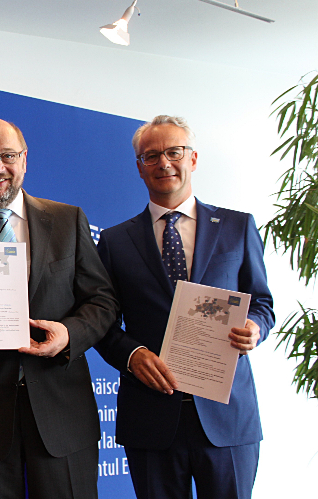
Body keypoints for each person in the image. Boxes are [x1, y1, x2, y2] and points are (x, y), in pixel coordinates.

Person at [0, 118, 119, 499]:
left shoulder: (68, 220)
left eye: (7, 155)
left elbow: (103, 300)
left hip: (62, 414)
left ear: (24, 160)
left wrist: (68, 335)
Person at [95, 115, 274, 499]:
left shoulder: (237, 227)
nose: (164, 163)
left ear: (192, 159)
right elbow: (100, 322)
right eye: (151, 155)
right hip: (151, 415)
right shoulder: (115, 241)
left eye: (174, 152)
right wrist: (133, 354)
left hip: (227, 417)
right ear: (139, 168)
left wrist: (256, 328)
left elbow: (262, 302)